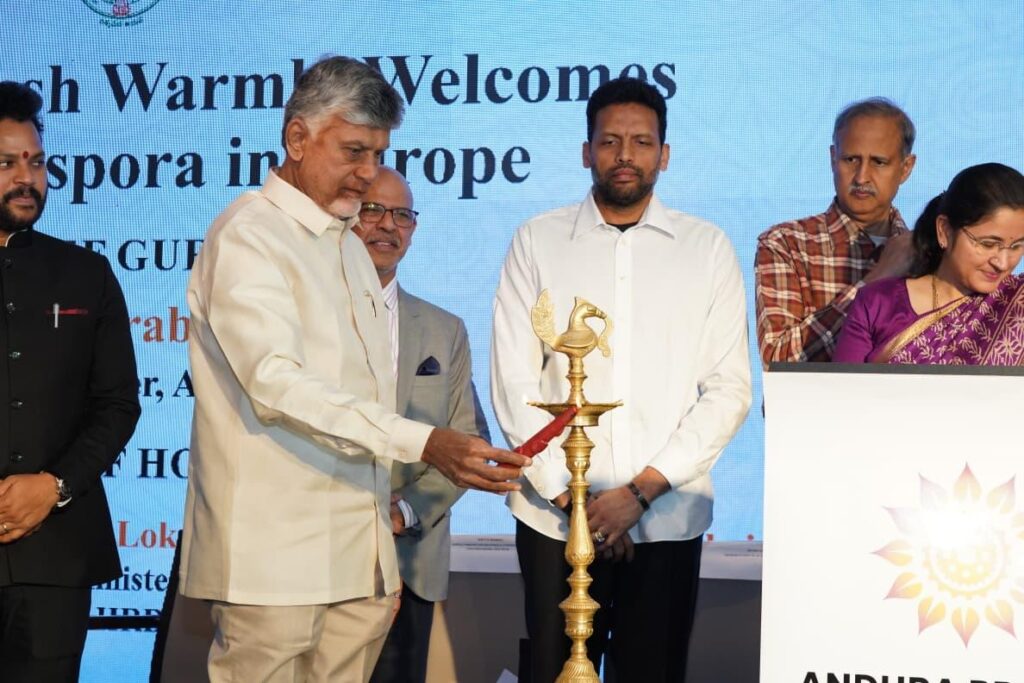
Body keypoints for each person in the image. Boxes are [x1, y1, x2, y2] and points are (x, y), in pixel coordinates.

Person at [180, 57, 527, 683]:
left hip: (358, 563)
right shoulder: (249, 237)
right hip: (274, 559)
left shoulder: (346, 242)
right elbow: (275, 384)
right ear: (297, 138)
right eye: (354, 151)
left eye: (379, 153)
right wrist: (424, 441)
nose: (369, 174)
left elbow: (363, 391)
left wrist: (379, 564)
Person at [491, 77, 752, 682]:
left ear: (665, 153)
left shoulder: (706, 248)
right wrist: (576, 502)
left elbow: (729, 388)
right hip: (553, 517)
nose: (625, 155)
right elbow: (513, 378)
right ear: (587, 151)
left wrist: (637, 495)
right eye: (610, 141)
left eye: (641, 142)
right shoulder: (537, 240)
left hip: (664, 517)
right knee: (552, 673)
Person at [0, 81, 140, 682]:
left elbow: (117, 405)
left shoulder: (87, 274)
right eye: (6, 163)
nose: (26, 177)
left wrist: (52, 486)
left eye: (36, 162)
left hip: (56, 550)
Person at [355, 167, 490, 683]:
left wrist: (404, 511)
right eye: (372, 209)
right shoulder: (307, 317)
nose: (387, 225)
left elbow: (468, 441)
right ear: (345, 215)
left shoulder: (444, 329)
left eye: (402, 214)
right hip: (317, 560)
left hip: (406, 560)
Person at [755, 97, 919, 365]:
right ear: (833, 158)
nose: (862, 177)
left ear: (906, 168)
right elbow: (779, 362)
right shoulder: (787, 244)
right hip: (812, 408)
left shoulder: (927, 255)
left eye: (878, 162)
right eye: (851, 159)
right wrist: (876, 280)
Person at [834, 162, 1024, 364]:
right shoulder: (878, 303)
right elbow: (844, 391)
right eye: (988, 244)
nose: (1002, 263)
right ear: (945, 231)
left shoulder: (1017, 303)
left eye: (1017, 246)